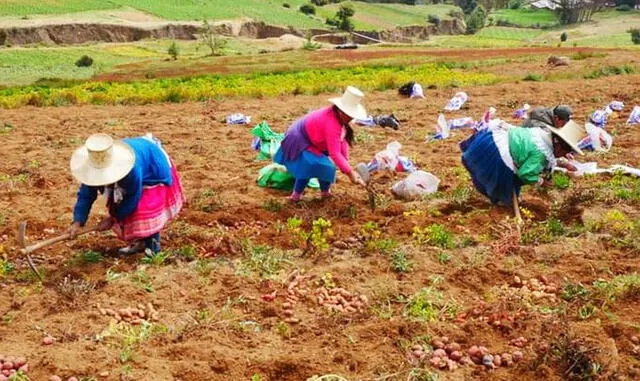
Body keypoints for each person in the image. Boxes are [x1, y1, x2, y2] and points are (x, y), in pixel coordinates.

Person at [67, 133, 185, 254]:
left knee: (143, 208)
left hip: (152, 168)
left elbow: (132, 198)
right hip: (138, 167)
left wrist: (113, 219)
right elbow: (86, 195)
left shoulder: (130, 169)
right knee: (119, 206)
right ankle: (141, 242)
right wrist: (78, 221)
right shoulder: (91, 169)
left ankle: (152, 247)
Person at [274, 86, 367, 202]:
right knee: (318, 166)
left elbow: (341, 141)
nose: (351, 117)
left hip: (314, 139)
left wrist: (346, 164)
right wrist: (350, 172)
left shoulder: (340, 120)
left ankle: (325, 193)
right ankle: (296, 196)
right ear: (342, 111)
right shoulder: (332, 123)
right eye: (350, 114)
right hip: (300, 139)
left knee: (322, 166)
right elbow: (335, 153)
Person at [460, 120, 584, 206]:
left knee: (513, 177)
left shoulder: (540, 136)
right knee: (505, 187)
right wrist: (542, 182)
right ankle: (502, 203)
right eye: (567, 150)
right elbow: (525, 174)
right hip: (495, 153)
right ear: (558, 144)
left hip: (489, 140)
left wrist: (563, 163)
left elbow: (533, 154)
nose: (566, 154)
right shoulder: (540, 154)